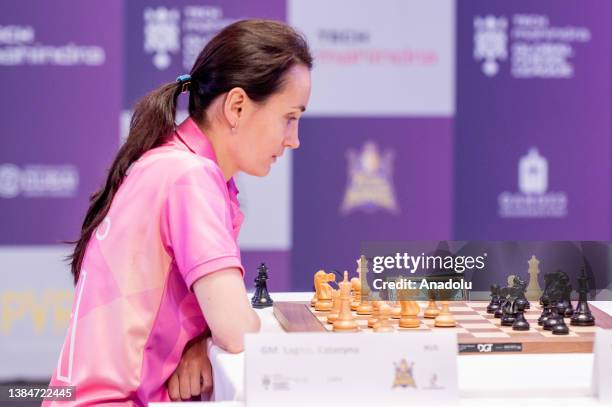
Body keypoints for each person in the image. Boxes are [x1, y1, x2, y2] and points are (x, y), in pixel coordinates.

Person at [43, 19, 312, 405]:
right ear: (237, 105)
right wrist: (219, 336)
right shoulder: (190, 177)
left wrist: (203, 342)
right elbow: (240, 333)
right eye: (290, 117)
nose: (294, 140)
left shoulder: (171, 161)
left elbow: (220, 325)